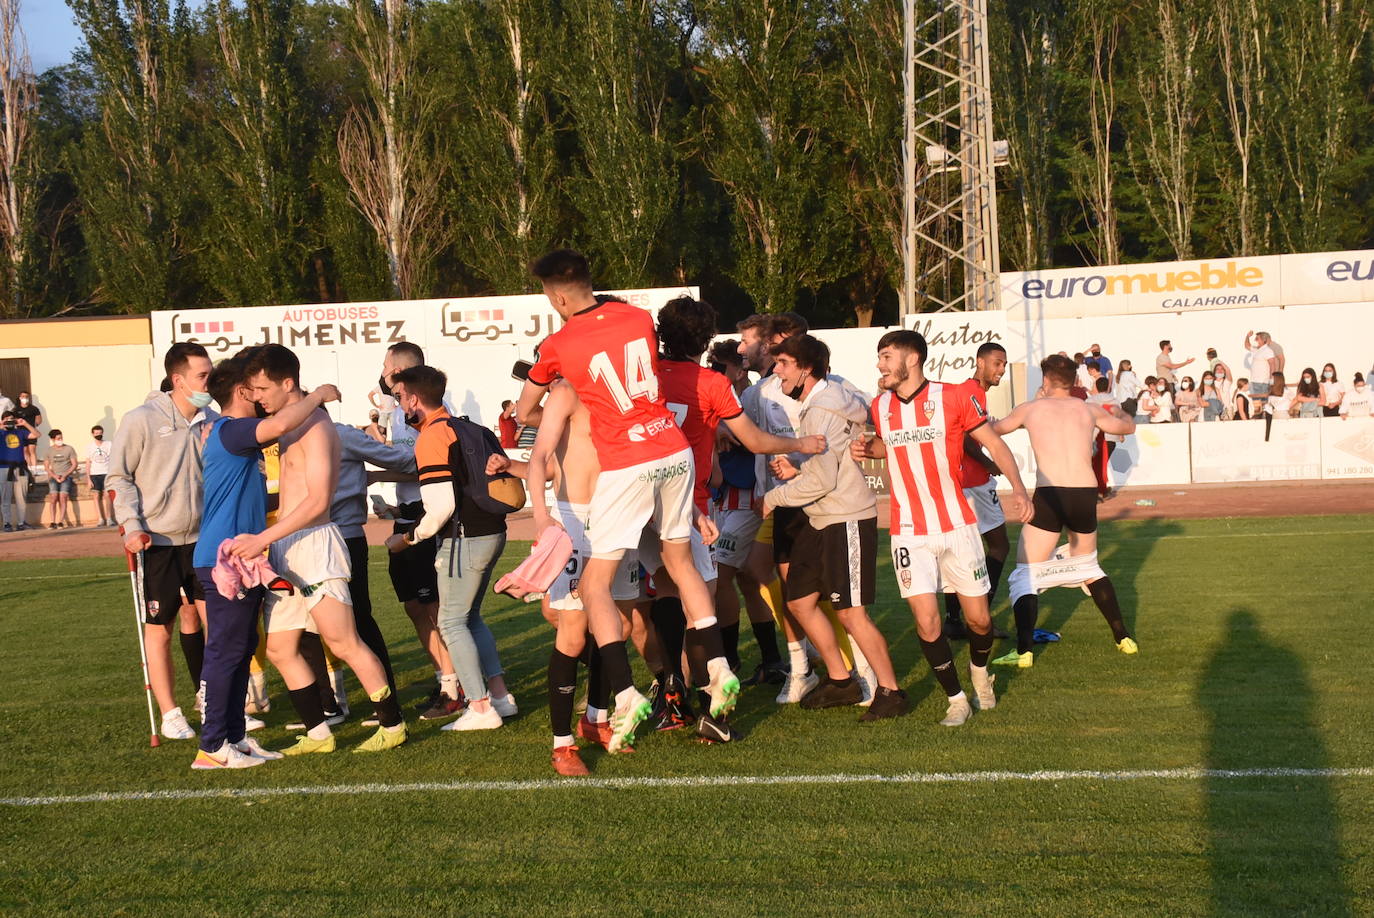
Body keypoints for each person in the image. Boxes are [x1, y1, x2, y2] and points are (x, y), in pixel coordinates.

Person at [516, 249, 737, 754]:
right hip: (673, 450)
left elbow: (527, 410)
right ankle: (719, 669)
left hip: (626, 462)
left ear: (557, 294)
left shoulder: (557, 344)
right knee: (681, 566)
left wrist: (537, 401)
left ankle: (623, 694)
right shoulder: (638, 318)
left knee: (595, 586)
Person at [647, 295, 823, 734]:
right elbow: (759, 441)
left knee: (664, 596)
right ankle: (714, 702)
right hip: (689, 504)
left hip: (638, 502)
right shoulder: (710, 383)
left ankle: (671, 695)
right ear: (706, 338)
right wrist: (800, 444)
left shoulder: (646, 377)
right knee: (701, 599)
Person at [229, 343, 406, 754]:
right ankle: (318, 734)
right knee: (279, 648)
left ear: (287, 383)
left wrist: (262, 539)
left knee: (344, 641)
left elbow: (317, 502)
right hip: (285, 548)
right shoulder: (287, 424)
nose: (257, 397)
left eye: (261, 388)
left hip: (315, 546)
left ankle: (393, 724)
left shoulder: (317, 427)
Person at [850, 330, 1033, 725]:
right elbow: (893, 447)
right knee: (927, 621)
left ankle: (980, 673)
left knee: (979, 621)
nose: (880, 365)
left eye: (886, 356)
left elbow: (996, 446)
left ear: (911, 358)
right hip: (908, 529)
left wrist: (1019, 489)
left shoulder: (951, 397)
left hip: (957, 526)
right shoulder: (879, 406)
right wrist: (870, 449)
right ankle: (956, 699)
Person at [190, 356, 338, 769]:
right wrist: (319, 395)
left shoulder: (229, 434)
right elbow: (279, 425)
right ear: (241, 393)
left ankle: (234, 737)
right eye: (253, 389)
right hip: (226, 559)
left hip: (243, 558)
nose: (259, 396)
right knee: (225, 651)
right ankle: (213, 745)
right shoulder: (234, 430)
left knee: (239, 650)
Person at [500, 378, 645, 772]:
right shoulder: (566, 391)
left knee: (620, 627)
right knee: (573, 630)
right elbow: (540, 455)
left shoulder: (624, 388)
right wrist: (542, 516)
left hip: (619, 517)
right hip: (577, 521)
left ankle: (595, 718)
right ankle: (562, 744)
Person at [761, 334, 909, 721]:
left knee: (850, 614)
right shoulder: (823, 400)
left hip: (845, 517)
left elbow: (824, 480)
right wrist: (798, 466)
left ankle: (890, 691)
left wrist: (773, 497)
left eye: (783, 364)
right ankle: (841, 681)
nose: (776, 373)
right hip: (821, 516)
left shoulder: (820, 410)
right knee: (799, 601)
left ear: (806, 369)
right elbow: (827, 466)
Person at [736, 312, 869, 705]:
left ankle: (853, 668)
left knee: (825, 594)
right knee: (763, 574)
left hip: (812, 502)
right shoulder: (760, 392)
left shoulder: (828, 388)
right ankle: (802, 664)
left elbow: (860, 415)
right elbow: (741, 429)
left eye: (750, 341)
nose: (746, 348)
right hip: (777, 501)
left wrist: (805, 458)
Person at [386, 365, 517, 733]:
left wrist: (408, 538)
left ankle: (479, 706)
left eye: (399, 398)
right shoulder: (467, 426)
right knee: (469, 617)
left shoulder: (433, 436)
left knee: (450, 621)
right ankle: (500, 696)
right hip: (490, 531)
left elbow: (440, 506)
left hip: (465, 538)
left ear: (413, 398)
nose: (399, 406)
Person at [990, 354, 1138, 668]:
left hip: (1051, 494)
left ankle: (1024, 651)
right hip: (1084, 494)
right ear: (1074, 382)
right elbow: (1128, 426)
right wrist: (1122, 410)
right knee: (1089, 566)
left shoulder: (1030, 409)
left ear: (1045, 380)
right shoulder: (1088, 409)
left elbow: (993, 430)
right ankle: (1123, 637)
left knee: (1024, 575)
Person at [108, 343, 214, 741]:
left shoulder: (212, 420)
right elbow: (119, 477)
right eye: (203, 375)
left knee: (214, 622)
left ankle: (211, 695)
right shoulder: (141, 420)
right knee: (160, 628)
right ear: (179, 380)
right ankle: (170, 713)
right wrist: (133, 524)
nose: (210, 381)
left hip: (205, 540)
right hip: (158, 542)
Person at [377, 341, 460, 718]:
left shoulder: (423, 414)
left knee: (434, 607)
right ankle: (444, 676)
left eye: (386, 366)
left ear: (399, 371)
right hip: (407, 513)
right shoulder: (398, 412)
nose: (381, 373)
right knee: (414, 606)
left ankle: (455, 684)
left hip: (425, 519)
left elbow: (417, 466)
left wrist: (363, 468)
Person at [707, 339, 788, 687]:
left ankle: (728, 658)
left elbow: (757, 437)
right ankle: (772, 659)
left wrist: (722, 430)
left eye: (720, 368)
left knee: (721, 574)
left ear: (739, 371)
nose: (713, 375)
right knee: (747, 580)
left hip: (749, 498)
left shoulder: (754, 398)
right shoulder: (718, 398)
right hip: (724, 498)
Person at [330, 416, 419, 703]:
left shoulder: (342, 435)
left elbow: (405, 461)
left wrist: (377, 475)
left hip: (344, 535)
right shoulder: (286, 435)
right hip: (305, 538)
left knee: (357, 618)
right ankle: (329, 704)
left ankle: (384, 698)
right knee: (309, 625)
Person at [944, 342, 1013, 640]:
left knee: (957, 551)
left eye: (1004, 365)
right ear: (980, 362)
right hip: (974, 483)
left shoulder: (965, 391)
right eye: (997, 363)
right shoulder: (972, 390)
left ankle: (953, 619)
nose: (1000, 370)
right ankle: (981, 616)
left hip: (958, 482)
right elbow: (967, 440)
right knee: (999, 546)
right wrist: (989, 462)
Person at [0, 410, 36, 531]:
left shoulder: (20, 432)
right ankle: (7, 523)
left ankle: (21, 523)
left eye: (12, 419)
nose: (10, 422)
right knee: (6, 497)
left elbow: (36, 434)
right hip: (4, 468)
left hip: (20, 468)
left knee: (21, 497)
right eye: (7, 419)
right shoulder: (1, 432)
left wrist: (25, 423)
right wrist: (1, 425)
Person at [42, 430, 79, 528]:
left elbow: (74, 464)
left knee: (63, 497)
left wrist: (65, 475)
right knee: (53, 497)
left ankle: (60, 521)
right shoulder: (48, 451)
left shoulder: (69, 449)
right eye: (58, 438)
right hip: (54, 477)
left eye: (61, 438)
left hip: (66, 477)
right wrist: (54, 476)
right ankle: (52, 521)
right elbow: (46, 466)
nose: (60, 440)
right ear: (53, 439)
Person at [85, 425, 114, 526]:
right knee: (96, 495)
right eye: (96, 433)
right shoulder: (89, 446)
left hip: (106, 472)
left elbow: (113, 459)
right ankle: (100, 519)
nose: (98, 435)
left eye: (100, 433)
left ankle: (109, 518)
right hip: (94, 474)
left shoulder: (109, 444)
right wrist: (88, 478)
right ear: (92, 434)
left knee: (107, 495)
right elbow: (88, 462)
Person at [1244, 330, 1277, 411]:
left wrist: (1271, 380)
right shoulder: (1257, 350)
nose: (1255, 340)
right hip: (1254, 381)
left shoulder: (1268, 351)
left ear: (1263, 340)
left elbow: (1272, 365)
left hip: (1263, 382)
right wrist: (1247, 336)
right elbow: (1247, 346)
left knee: (1263, 405)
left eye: (1257, 339)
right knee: (1255, 406)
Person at [14, 391, 40, 471]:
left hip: (32, 432)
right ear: (20, 398)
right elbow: (13, 420)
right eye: (23, 396)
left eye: (26, 396)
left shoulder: (34, 408)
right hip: (21, 433)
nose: (24, 398)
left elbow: (39, 420)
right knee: (25, 450)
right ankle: (28, 468)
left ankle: (34, 469)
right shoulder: (16, 409)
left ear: (28, 398)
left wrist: (35, 424)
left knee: (32, 450)